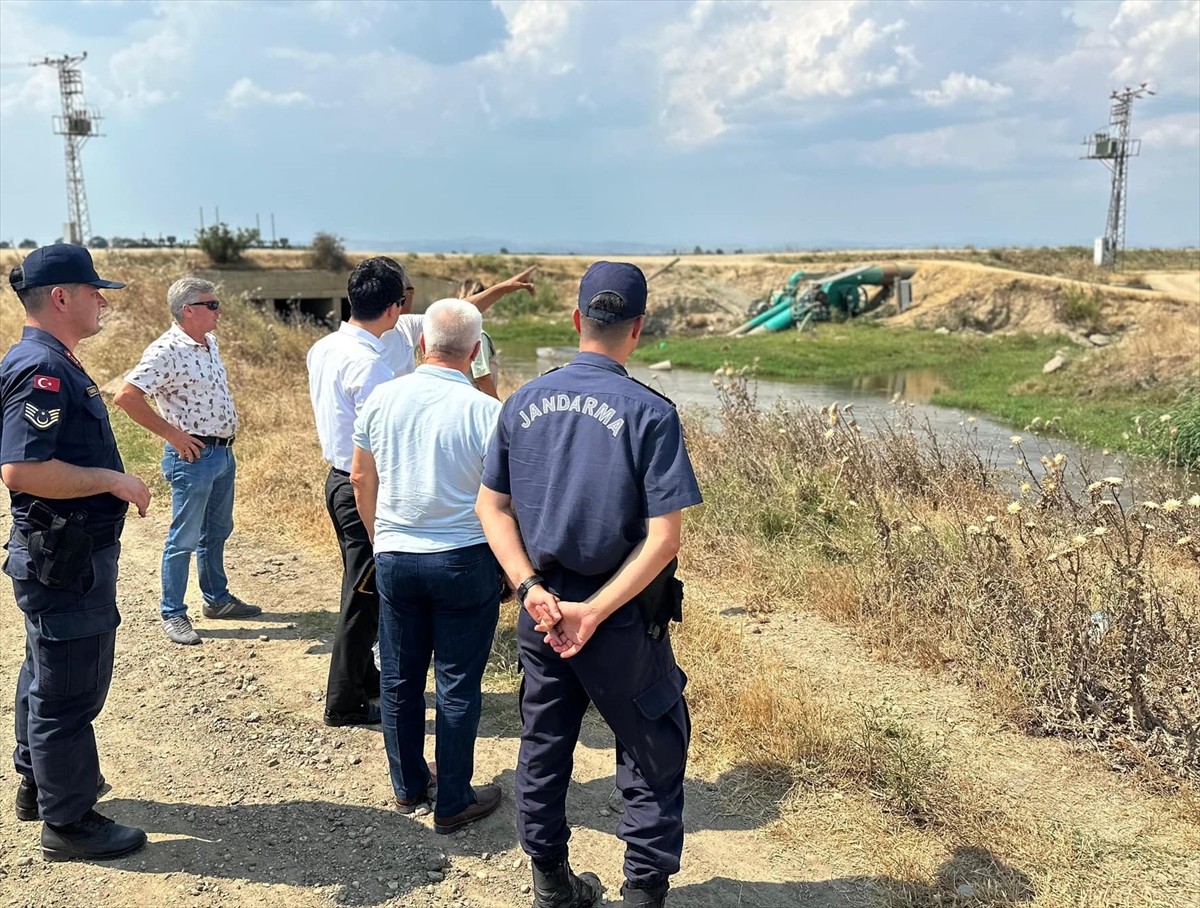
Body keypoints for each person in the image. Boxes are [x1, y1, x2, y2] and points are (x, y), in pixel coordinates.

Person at [477, 262, 702, 908]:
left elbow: (490, 508)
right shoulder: (651, 414)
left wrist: (529, 589)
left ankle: (550, 885)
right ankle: (642, 895)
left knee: (544, 747)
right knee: (652, 747)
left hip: (543, 612)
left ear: (576, 321)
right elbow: (664, 538)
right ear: (638, 329)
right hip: (620, 614)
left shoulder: (520, 403)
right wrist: (596, 612)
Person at [308, 257, 534, 727]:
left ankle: (365, 681)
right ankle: (345, 699)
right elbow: (373, 457)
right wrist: (380, 531)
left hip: (340, 479)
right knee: (363, 592)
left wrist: (503, 289)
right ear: (394, 307)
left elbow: (456, 315)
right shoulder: (371, 368)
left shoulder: (327, 345)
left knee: (366, 591)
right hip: (365, 489)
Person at [1, 244, 150, 861]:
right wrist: (112, 481)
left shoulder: (53, 360)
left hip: (63, 554)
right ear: (60, 297)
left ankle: (41, 783)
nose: (100, 301)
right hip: (66, 557)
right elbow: (21, 470)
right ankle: (68, 823)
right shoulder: (44, 369)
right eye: (93, 291)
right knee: (69, 689)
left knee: (46, 667)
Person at [351, 297, 504, 833]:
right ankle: (454, 800)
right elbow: (507, 501)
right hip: (465, 558)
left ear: (421, 344)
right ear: (477, 351)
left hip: (396, 555)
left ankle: (409, 784)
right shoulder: (490, 413)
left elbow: (359, 479)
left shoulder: (383, 399)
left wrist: (380, 539)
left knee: (400, 677)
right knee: (459, 683)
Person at [114, 277, 260, 647]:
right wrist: (172, 435)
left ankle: (216, 600)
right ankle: (173, 613)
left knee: (218, 532)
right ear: (188, 310)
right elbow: (127, 396)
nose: (219, 310)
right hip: (192, 459)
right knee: (184, 539)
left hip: (223, 454)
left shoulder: (208, 342)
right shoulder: (166, 350)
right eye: (211, 305)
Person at [456, 278, 500, 400]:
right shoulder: (476, 333)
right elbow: (481, 376)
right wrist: (497, 406)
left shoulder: (452, 329)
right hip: (476, 401)